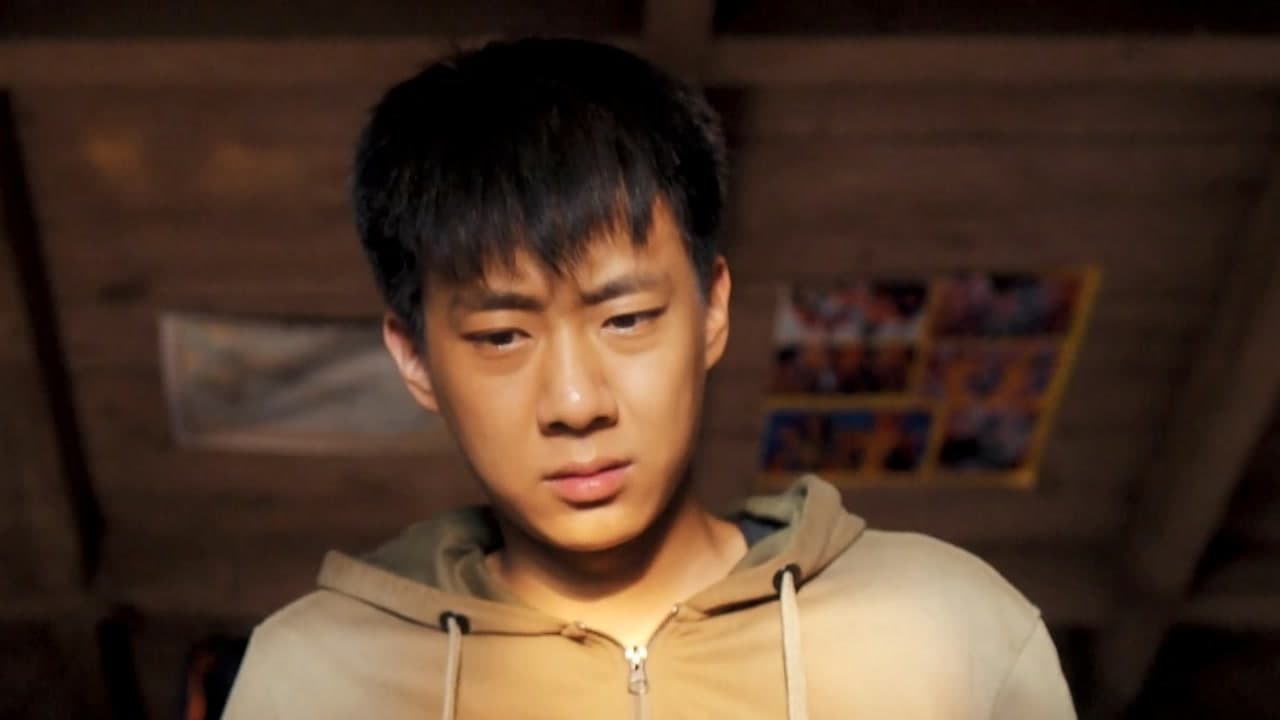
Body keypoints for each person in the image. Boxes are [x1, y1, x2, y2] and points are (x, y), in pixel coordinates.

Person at [221, 37, 1076, 719]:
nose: (576, 403)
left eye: (626, 319)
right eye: (502, 336)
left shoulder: (945, 632)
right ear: (415, 358)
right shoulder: (315, 682)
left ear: (712, 310)